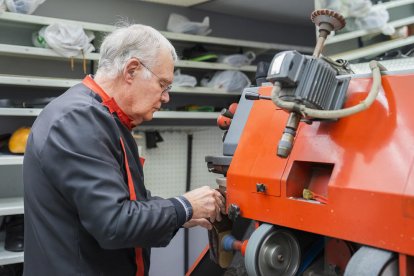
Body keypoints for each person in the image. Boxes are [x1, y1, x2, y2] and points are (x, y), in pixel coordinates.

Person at [23, 23, 225, 276]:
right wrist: (183, 206)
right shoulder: (79, 120)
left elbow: (124, 201)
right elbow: (114, 223)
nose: (166, 97)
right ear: (131, 70)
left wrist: (180, 214)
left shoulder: (105, 118)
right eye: (163, 84)